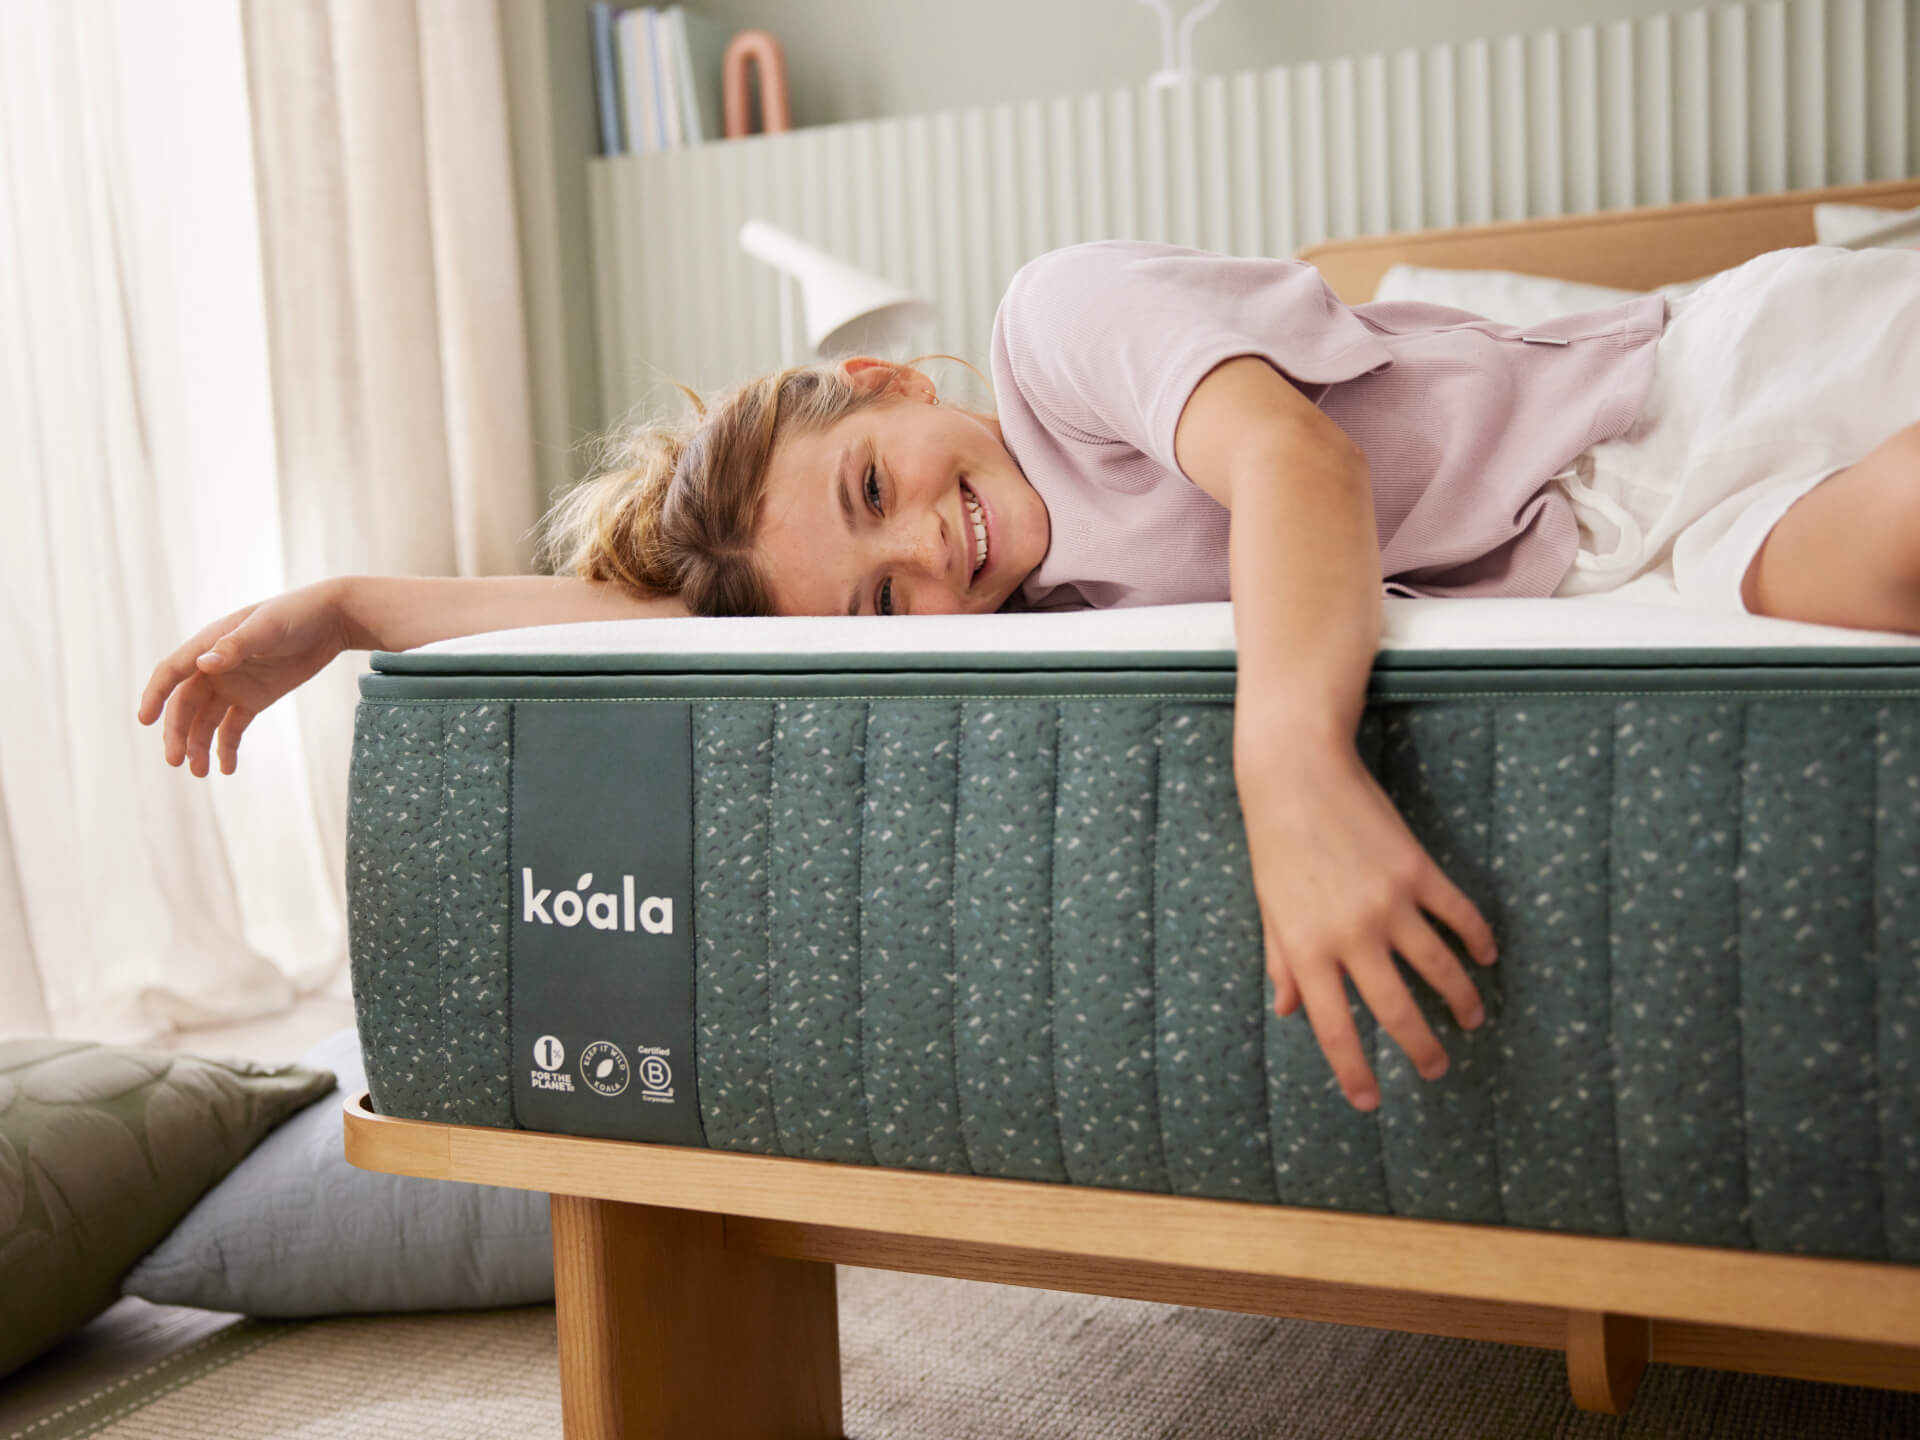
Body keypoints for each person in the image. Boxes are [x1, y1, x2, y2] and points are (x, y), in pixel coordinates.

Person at [140, 239, 1920, 1115]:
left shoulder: (1057, 331)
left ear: (898, 386)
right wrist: (354, 606)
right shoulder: (1046, 604)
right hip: (1649, 558)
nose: (935, 559)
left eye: (875, 494)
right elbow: (660, 637)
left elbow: (1296, 467)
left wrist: (1290, 770)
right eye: (882, 606)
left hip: (1683, 402)